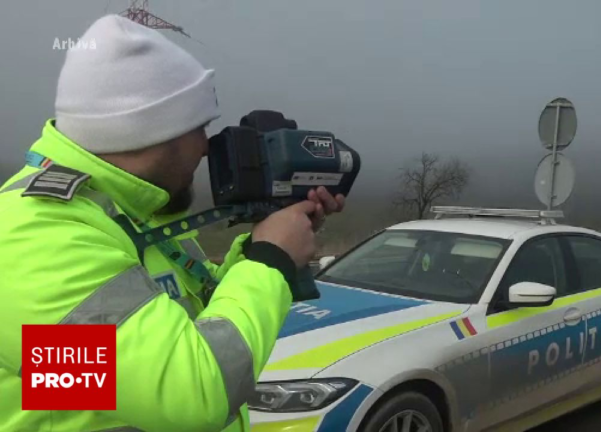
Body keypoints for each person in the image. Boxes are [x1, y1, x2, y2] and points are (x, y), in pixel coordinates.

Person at [0, 14, 344, 432]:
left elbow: (194, 328)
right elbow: (192, 394)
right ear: (155, 131)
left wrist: (266, 244)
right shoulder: (30, 237)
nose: (205, 149)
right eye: (199, 127)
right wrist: (270, 261)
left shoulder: (124, 215)